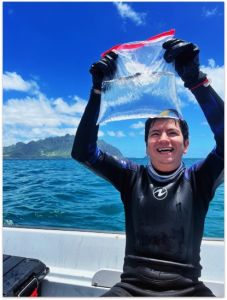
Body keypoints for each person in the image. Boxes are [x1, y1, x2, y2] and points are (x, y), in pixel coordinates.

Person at [71, 38, 224, 297]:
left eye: (172, 132)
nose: (163, 139)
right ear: (146, 146)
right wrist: (98, 92)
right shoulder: (131, 177)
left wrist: (197, 81)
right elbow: (83, 152)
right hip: (130, 289)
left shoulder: (199, 179)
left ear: (186, 145)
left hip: (187, 289)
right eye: (155, 133)